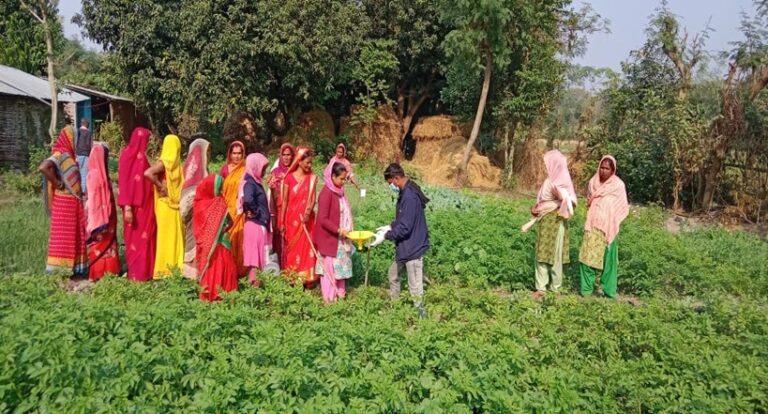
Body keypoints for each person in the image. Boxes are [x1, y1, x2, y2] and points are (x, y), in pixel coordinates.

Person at [370, 163, 430, 318]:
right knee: (393, 275)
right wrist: (390, 226)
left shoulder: (409, 196)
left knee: (415, 287)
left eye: (391, 183)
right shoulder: (405, 191)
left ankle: (422, 318)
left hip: (413, 248)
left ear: (397, 178)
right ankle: (396, 309)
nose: (391, 186)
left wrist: (386, 236)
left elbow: (405, 228)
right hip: (405, 247)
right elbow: (404, 219)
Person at [38, 121, 88, 276]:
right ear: (69, 138)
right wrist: (57, 183)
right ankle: (59, 269)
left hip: (73, 203)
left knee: (75, 235)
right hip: (63, 203)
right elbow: (43, 167)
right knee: (64, 237)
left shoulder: (70, 155)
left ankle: (75, 269)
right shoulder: (59, 154)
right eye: (75, 138)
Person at [579, 155, 629, 299]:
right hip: (592, 226)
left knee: (609, 261)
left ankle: (609, 291)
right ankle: (586, 291)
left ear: (613, 170)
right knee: (587, 258)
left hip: (609, 228)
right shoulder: (593, 183)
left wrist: (612, 219)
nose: (603, 171)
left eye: (607, 168)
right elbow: (589, 201)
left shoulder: (618, 185)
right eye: (602, 167)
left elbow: (622, 207)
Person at [529, 150, 577, 300]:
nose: (546, 167)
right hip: (546, 221)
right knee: (542, 253)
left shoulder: (562, 182)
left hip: (557, 221)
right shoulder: (549, 181)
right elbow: (542, 201)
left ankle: (555, 288)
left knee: (556, 254)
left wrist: (561, 202)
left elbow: (571, 202)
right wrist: (537, 208)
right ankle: (541, 287)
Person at [118, 127, 156, 281]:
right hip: (133, 208)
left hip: (145, 208)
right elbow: (124, 182)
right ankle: (136, 273)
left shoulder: (143, 158)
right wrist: (127, 207)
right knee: (134, 240)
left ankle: (146, 272)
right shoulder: (127, 156)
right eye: (146, 140)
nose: (147, 143)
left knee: (146, 239)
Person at [144, 134, 184, 278]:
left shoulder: (174, 164)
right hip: (166, 205)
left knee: (174, 237)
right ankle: (164, 270)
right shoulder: (165, 162)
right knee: (167, 238)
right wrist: (161, 186)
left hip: (173, 205)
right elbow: (148, 173)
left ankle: (174, 268)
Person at [313, 161, 354, 303]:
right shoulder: (326, 193)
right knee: (330, 270)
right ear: (333, 177)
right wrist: (338, 230)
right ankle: (330, 300)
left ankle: (340, 296)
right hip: (329, 239)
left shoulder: (340, 192)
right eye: (341, 179)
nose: (343, 182)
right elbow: (323, 219)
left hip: (340, 238)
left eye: (345, 179)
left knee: (340, 269)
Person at [194, 174, 238, 301]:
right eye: (219, 188)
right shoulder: (214, 203)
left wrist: (218, 231)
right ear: (210, 188)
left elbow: (230, 221)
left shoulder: (204, 204)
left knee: (216, 268)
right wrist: (220, 231)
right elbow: (230, 222)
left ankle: (215, 295)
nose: (220, 191)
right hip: (216, 246)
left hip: (214, 246)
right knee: (217, 268)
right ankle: (219, 295)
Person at [279, 146, 318, 286]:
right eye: (307, 162)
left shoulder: (312, 179)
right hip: (291, 220)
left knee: (306, 248)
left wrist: (307, 213)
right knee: (292, 248)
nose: (309, 165)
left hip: (306, 220)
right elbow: (284, 202)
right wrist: (281, 221)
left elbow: (312, 200)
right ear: (299, 161)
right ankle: (292, 277)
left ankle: (307, 278)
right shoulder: (288, 179)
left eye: (311, 163)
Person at [85, 143, 120, 281]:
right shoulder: (94, 175)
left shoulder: (103, 173)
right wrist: (99, 218)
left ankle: (110, 271)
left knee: (109, 243)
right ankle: (98, 272)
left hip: (108, 216)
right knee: (100, 243)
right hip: (99, 218)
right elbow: (93, 199)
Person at [239, 153, 271, 286]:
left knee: (256, 259)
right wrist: (256, 211)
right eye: (263, 168)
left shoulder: (254, 181)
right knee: (255, 260)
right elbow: (248, 199)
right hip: (255, 225)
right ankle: (254, 287)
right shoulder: (250, 183)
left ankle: (254, 287)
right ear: (255, 166)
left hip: (257, 224)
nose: (263, 172)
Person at [180, 138, 210, 279]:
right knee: (193, 241)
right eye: (207, 151)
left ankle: (197, 271)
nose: (208, 154)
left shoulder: (201, 170)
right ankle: (191, 273)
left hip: (200, 214)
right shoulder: (195, 176)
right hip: (194, 214)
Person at [220, 141, 247, 277]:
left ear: (243, 154)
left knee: (239, 238)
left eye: (239, 153)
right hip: (226, 210)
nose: (236, 156)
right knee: (227, 238)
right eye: (234, 153)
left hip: (240, 210)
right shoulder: (225, 170)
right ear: (229, 154)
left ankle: (238, 270)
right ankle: (226, 270)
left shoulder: (245, 170)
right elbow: (219, 189)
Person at [267, 143, 295, 266]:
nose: (286, 157)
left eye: (289, 155)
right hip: (279, 210)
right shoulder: (275, 172)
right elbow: (272, 195)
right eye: (284, 155)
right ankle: (280, 266)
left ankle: (291, 266)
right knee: (279, 237)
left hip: (293, 209)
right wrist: (272, 214)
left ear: (293, 156)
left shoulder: (296, 171)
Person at [76, 118, 92, 196]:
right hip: (86, 155)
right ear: (87, 124)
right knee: (84, 173)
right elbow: (89, 145)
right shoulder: (88, 133)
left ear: (81, 124)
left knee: (77, 173)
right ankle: (82, 191)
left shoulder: (77, 132)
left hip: (77, 155)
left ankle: (76, 189)